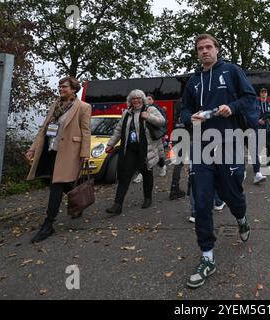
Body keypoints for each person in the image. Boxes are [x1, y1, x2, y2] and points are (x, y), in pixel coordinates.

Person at [180, 33, 255, 289]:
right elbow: (184, 110)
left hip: (229, 142)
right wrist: (190, 117)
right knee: (202, 201)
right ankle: (207, 257)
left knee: (232, 193)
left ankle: (241, 217)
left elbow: (249, 98)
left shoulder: (231, 71)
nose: (204, 51)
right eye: (200, 48)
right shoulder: (193, 81)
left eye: (208, 47)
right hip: (201, 146)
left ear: (216, 49)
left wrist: (231, 108)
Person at [25, 76, 91, 243]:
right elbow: (44, 127)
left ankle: (48, 224)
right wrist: (33, 148)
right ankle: (78, 203)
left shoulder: (83, 107)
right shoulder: (55, 105)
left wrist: (85, 153)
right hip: (50, 150)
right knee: (60, 183)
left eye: (64, 87)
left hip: (69, 151)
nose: (61, 89)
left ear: (74, 89)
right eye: (60, 86)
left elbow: (86, 131)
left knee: (56, 184)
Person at [105, 89, 166, 214]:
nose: (136, 100)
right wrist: (111, 144)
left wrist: (148, 117)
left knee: (147, 172)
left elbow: (162, 121)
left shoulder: (150, 110)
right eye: (133, 98)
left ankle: (148, 198)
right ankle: (118, 204)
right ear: (130, 101)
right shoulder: (127, 113)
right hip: (131, 149)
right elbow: (118, 130)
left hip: (146, 148)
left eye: (139, 98)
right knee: (125, 175)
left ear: (142, 99)